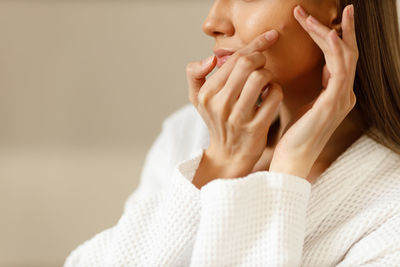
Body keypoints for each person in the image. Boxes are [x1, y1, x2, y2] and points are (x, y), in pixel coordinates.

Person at [64, 0, 400, 266]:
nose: (212, 22)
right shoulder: (188, 134)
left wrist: (287, 171)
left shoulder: (390, 206)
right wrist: (218, 164)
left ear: (338, 15)